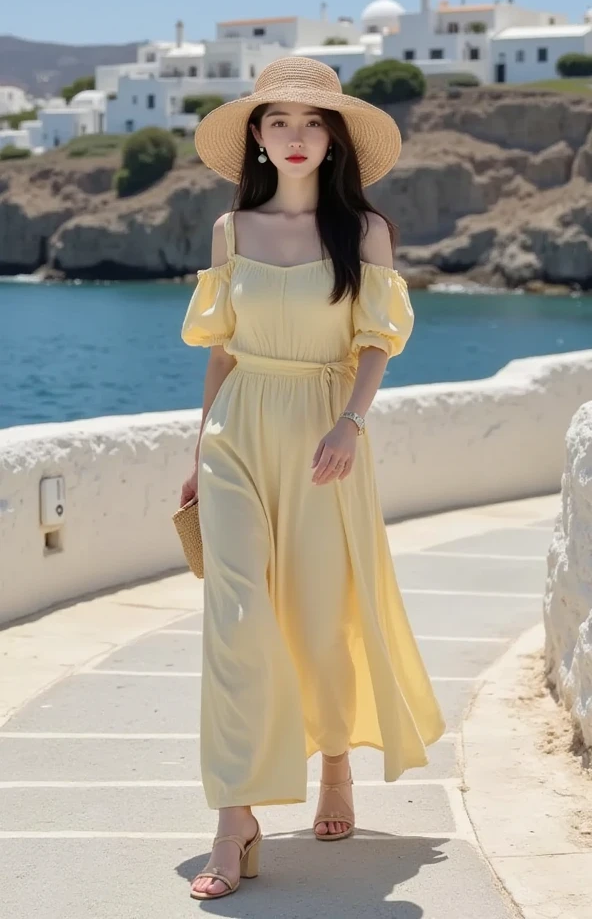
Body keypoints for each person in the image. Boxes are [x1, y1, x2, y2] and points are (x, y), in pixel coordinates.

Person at [179, 57, 446, 901]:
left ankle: (335, 763)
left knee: (322, 615)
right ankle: (235, 817)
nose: (296, 136)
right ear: (257, 137)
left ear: (333, 139)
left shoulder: (364, 231)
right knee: (235, 622)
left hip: (326, 430)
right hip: (237, 434)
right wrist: (196, 454)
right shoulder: (231, 233)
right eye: (279, 121)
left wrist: (352, 421)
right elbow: (221, 350)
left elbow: (376, 341)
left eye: (313, 121)